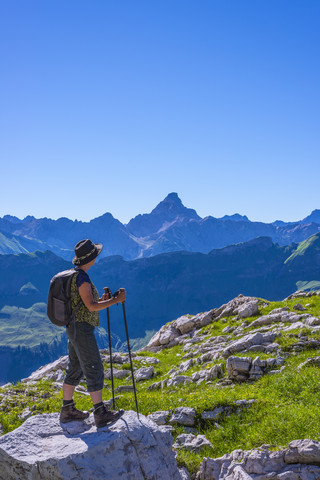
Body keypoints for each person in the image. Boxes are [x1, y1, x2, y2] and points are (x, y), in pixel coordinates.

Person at [59, 238, 126, 428]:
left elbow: (86, 304)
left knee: (76, 367)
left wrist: (104, 299)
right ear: (91, 257)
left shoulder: (75, 275)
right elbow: (90, 305)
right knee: (94, 366)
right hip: (81, 328)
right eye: (96, 254)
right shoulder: (82, 277)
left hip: (73, 327)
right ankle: (100, 413)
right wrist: (115, 300)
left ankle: (67, 410)